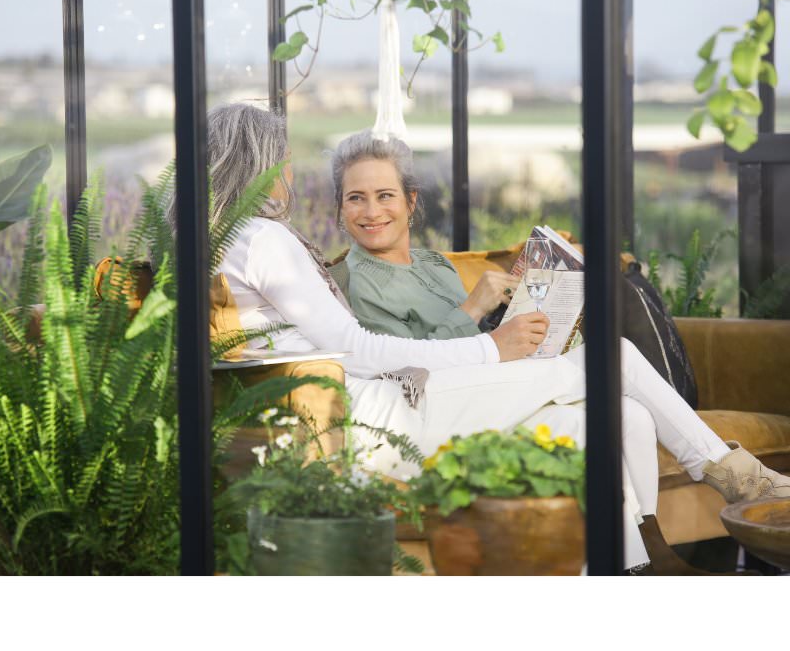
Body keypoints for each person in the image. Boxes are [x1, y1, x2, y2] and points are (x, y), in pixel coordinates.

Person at [204, 103, 786, 574]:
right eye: (279, 161)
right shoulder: (261, 238)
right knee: (616, 357)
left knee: (613, 419)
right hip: (381, 412)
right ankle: (734, 474)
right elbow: (356, 348)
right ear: (257, 164)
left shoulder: (221, 242)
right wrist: (490, 346)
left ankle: (626, 567)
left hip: (369, 408)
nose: (286, 175)